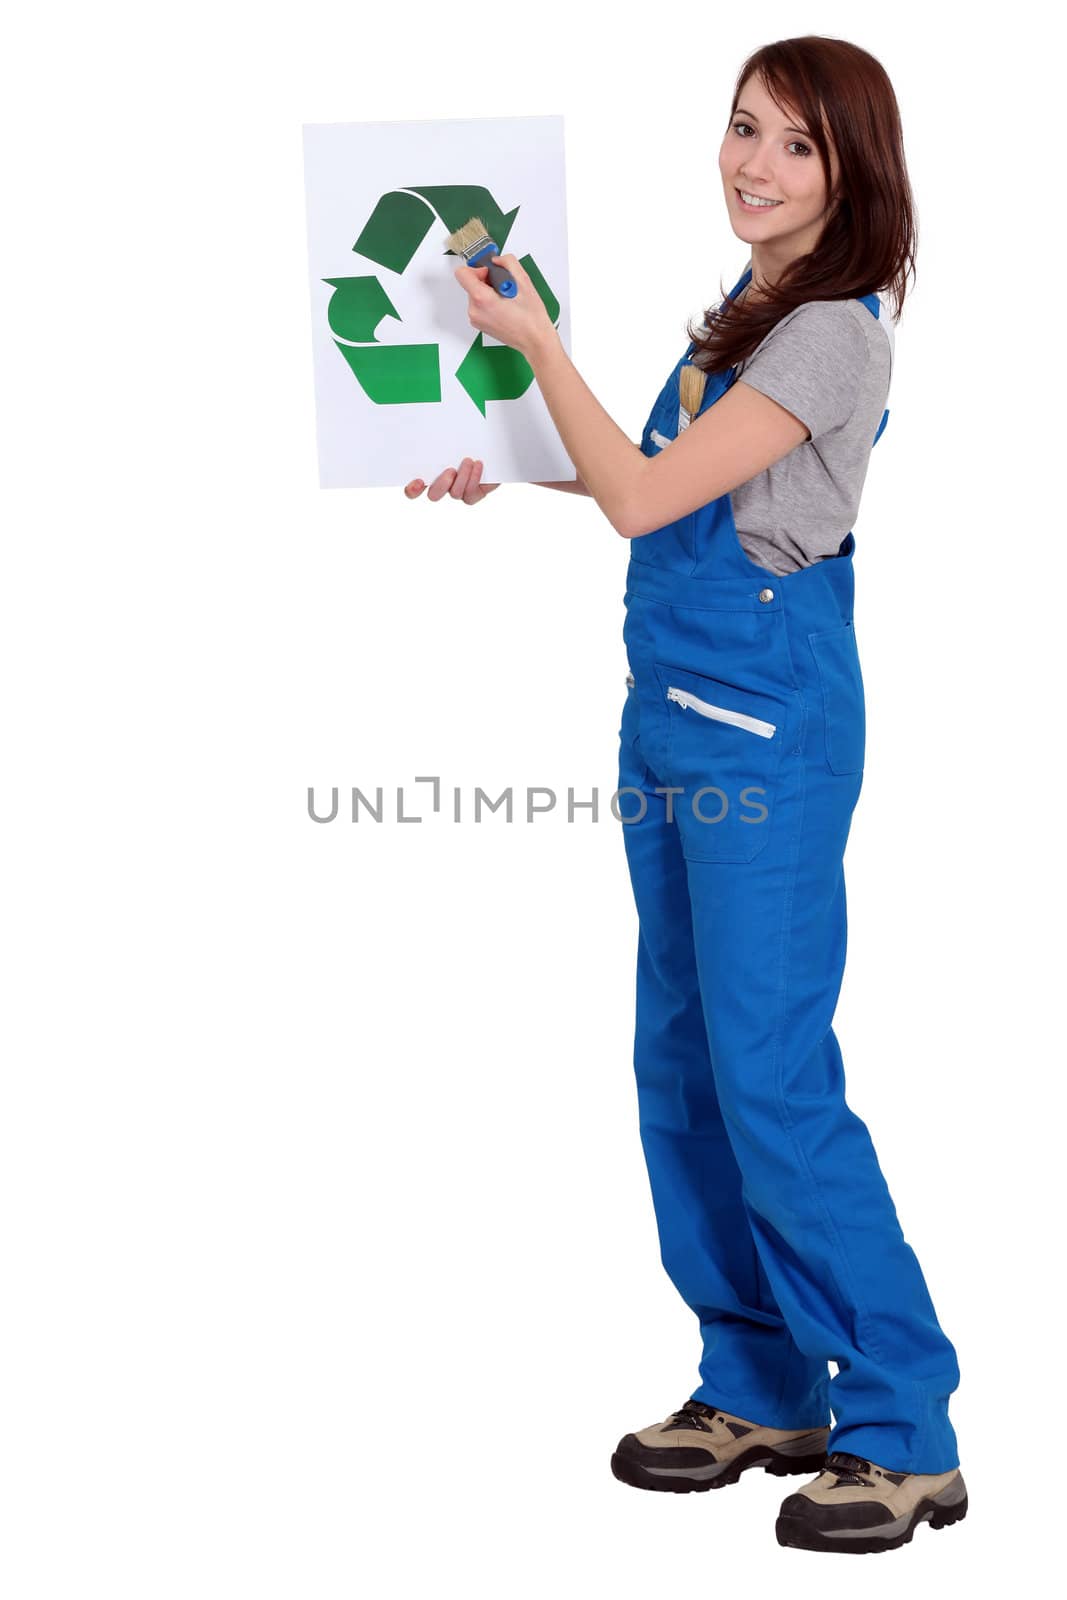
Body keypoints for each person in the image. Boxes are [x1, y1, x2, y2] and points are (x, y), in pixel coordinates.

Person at [404, 35, 967, 1558]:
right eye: (740, 131)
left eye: (792, 146)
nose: (750, 165)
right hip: (674, 720)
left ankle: (905, 1428)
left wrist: (533, 350)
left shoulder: (833, 336)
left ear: (853, 173)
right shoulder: (747, 315)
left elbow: (654, 500)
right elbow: (651, 466)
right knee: (687, 1066)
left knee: (773, 1078)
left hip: (769, 735)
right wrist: (502, 467)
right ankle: (763, 1382)